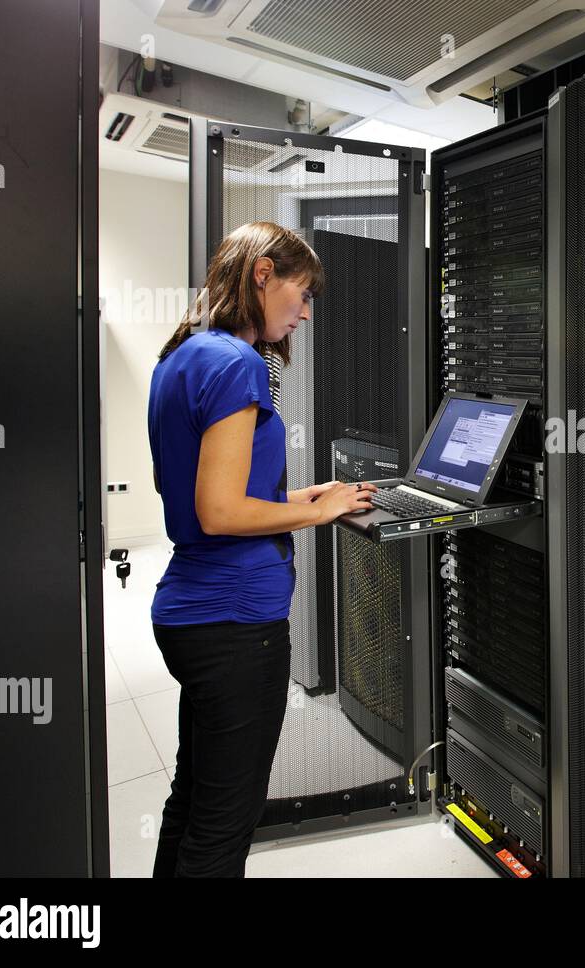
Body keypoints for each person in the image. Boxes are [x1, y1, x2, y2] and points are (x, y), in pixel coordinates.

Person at [146, 221, 376, 876]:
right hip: (236, 625)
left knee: (194, 801)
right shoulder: (237, 362)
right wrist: (317, 515)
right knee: (223, 829)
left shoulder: (183, 356)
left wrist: (305, 496)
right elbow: (220, 512)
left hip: (193, 613)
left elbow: (205, 492)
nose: (304, 313)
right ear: (262, 275)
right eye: (300, 296)